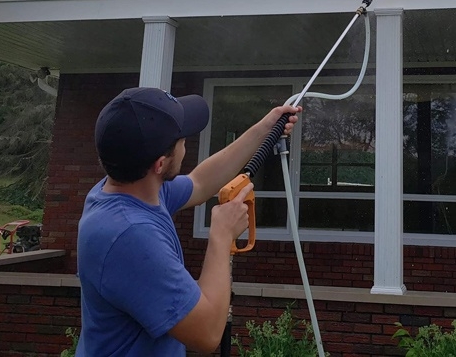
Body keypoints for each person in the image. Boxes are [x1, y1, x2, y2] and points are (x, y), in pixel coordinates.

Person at [75, 86, 300, 356]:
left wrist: (264, 129)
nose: (186, 143)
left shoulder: (128, 188)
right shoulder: (129, 235)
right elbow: (206, 334)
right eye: (182, 139)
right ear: (160, 164)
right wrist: (221, 236)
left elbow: (200, 182)